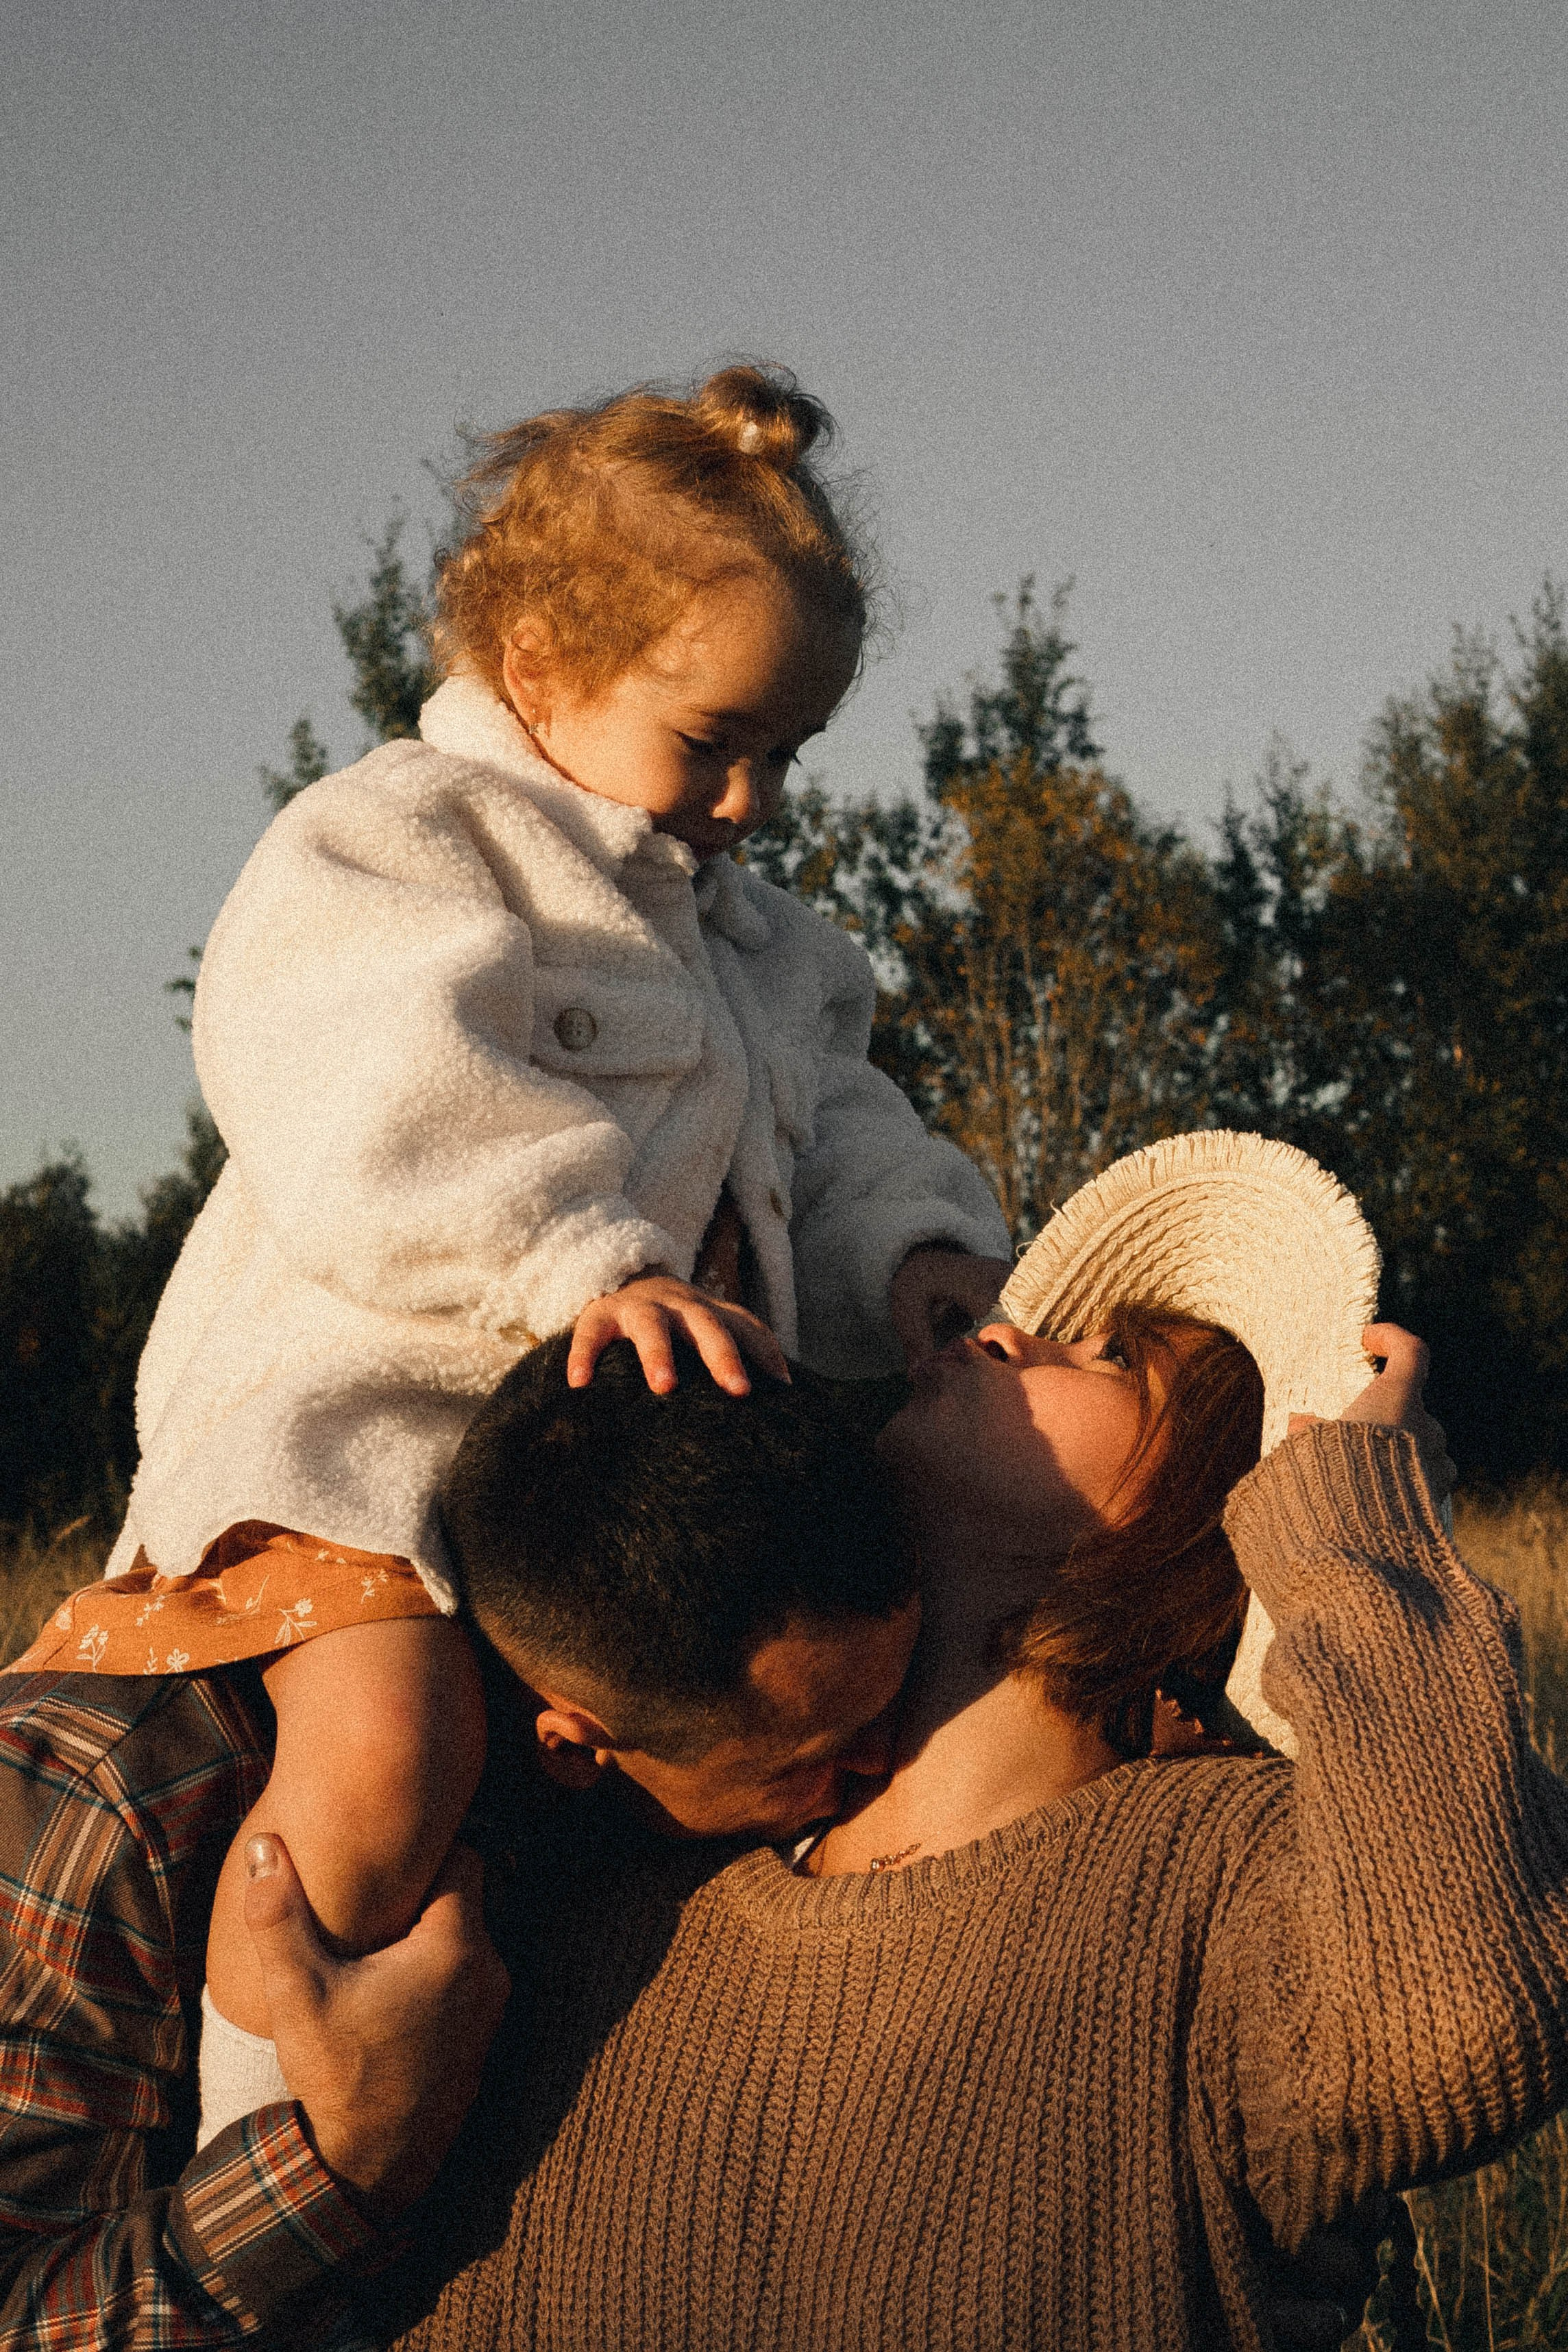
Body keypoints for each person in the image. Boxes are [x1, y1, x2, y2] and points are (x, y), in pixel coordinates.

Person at [12, 360, 1011, 2100]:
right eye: (713, 744)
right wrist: (582, 1254)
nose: (751, 803)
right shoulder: (403, 839)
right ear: (540, 669)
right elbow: (365, 1074)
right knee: (390, 1746)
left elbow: (842, 1122)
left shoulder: (761, 948)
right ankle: (290, 2127)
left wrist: (912, 1254)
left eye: (785, 755)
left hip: (590, 1509)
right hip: (360, 1435)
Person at [357, 1139, 1568, 2352]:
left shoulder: (1221, 1878)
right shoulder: (628, 1885)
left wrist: (1360, 1533)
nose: (1000, 1334)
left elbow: (1467, 2023)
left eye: (1112, 1361)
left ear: (1205, 1508)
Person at [0, 1350, 920, 2345]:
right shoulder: (109, 1793)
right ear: (574, 1746)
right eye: (819, 1754)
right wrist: (346, 2164)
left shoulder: (609, 1750)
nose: (886, 1758)